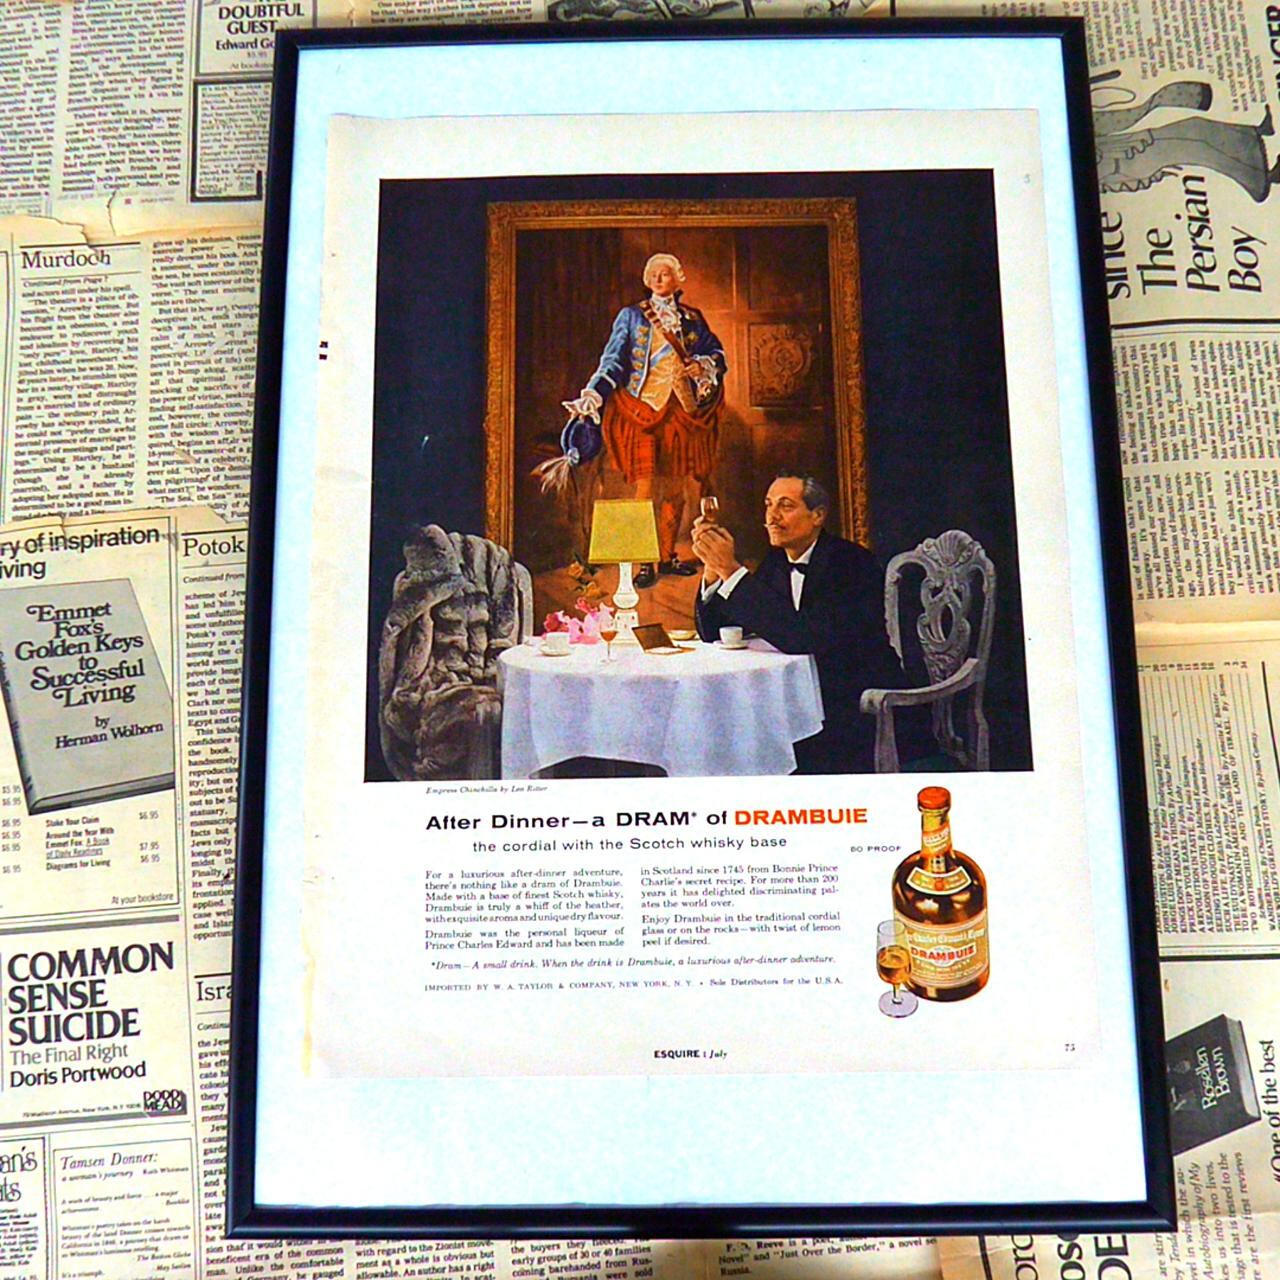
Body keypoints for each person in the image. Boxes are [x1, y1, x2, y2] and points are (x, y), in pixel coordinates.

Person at [692, 472, 903, 774]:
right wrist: (713, 570)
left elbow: (802, 637)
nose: (772, 517)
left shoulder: (851, 563)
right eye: (768, 505)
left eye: (786, 506)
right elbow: (717, 632)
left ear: (817, 516)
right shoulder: (777, 562)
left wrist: (732, 570)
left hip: (855, 709)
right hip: (799, 702)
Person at [563, 253, 726, 585]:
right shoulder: (631, 316)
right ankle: (645, 561)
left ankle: (666, 556)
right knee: (645, 488)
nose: (658, 278)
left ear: (678, 279)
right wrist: (594, 393)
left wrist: (702, 365)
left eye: (665, 273)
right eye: (653, 274)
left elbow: (717, 354)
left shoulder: (692, 318)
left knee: (676, 489)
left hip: (681, 411)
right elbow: (612, 361)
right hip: (642, 409)